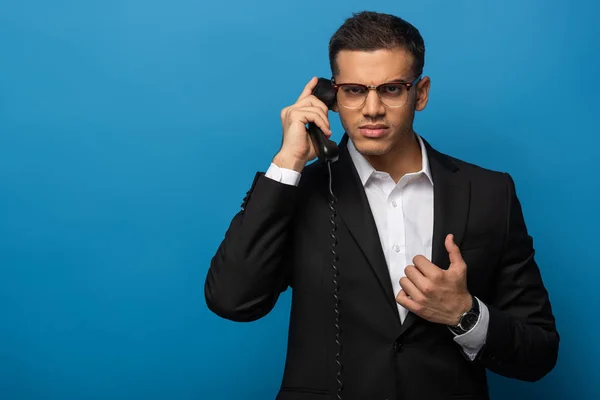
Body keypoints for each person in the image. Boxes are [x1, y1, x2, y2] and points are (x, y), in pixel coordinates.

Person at [204, 11, 559, 400]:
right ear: (332, 96)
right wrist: (287, 161)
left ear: (420, 93)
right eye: (354, 90)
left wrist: (464, 314)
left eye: (391, 89)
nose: (372, 109)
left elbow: (539, 352)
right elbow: (232, 300)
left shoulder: (491, 192)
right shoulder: (299, 191)